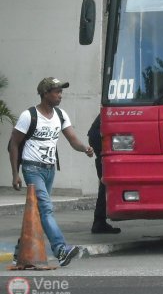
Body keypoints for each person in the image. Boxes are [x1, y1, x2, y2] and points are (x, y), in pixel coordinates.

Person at [8, 77, 94, 267]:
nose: (60, 95)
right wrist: (15, 174)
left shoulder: (60, 115)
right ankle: (61, 250)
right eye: (56, 92)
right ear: (45, 93)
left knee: (37, 212)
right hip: (32, 168)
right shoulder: (29, 116)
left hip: (49, 169)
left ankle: (19, 252)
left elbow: (72, 139)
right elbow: (13, 144)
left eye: (61, 92)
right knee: (46, 209)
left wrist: (85, 148)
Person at [88, 114, 121, 234]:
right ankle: (99, 221)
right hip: (101, 136)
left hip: (99, 135)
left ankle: (99, 220)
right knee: (105, 181)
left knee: (105, 182)